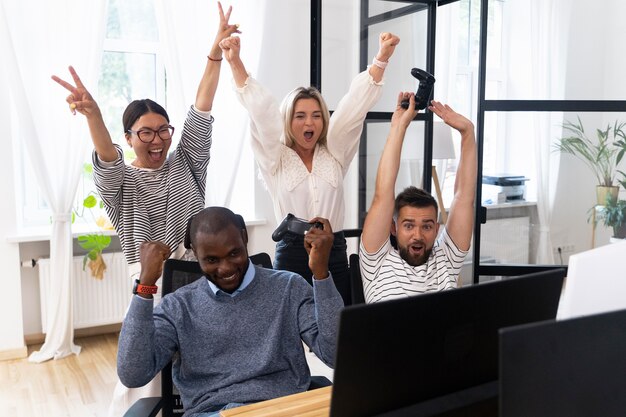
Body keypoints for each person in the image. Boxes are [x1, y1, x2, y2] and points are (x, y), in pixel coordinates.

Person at [52, 3, 240, 414]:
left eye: (163, 130)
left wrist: (214, 54)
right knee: (145, 380)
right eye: (145, 133)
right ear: (129, 137)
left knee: (210, 368)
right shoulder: (121, 183)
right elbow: (106, 156)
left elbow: (202, 108)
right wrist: (94, 114)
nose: (157, 140)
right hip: (151, 285)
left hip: (203, 276)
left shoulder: (187, 160)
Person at [218, 31, 400, 305]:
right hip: (291, 253)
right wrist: (235, 61)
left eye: (317, 116)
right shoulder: (275, 157)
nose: (309, 123)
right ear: (288, 120)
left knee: (337, 326)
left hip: (334, 250)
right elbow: (262, 112)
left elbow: (353, 108)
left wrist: (381, 58)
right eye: (300, 116)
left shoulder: (335, 152)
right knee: (290, 328)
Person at [117, 206, 344, 417]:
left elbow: (335, 355)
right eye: (212, 260)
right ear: (196, 253)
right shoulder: (178, 306)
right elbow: (133, 373)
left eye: (234, 254)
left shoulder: (289, 287)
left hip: (283, 408)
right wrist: (144, 285)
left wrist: (321, 275)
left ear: (245, 238)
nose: (225, 268)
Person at [359, 93, 477, 303]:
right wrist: (399, 127)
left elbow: (464, 196)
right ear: (394, 228)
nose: (418, 235)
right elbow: (383, 193)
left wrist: (467, 132)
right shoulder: (377, 260)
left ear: (437, 229)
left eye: (427, 226)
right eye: (409, 225)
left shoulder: (446, 259)